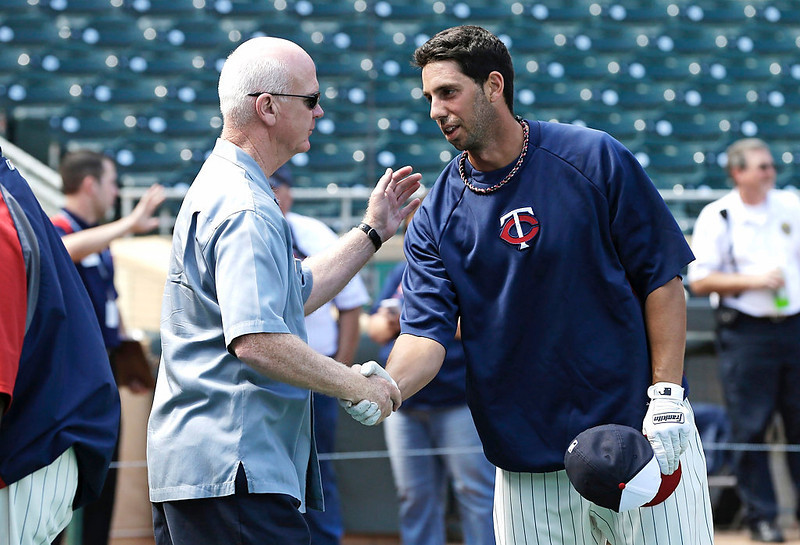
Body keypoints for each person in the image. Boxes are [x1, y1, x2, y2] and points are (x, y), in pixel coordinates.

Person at [368, 25, 713, 545]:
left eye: (448, 92)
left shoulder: (594, 158)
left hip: (642, 436)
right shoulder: (436, 214)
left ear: (493, 86)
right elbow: (425, 337)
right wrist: (385, 389)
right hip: (529, 462)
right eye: (429, 98)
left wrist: (666, 393)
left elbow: (662, 280)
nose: (436, 110)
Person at [146, 36, 420, 545]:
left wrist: (372, 233)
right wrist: (355, 384)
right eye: (311, 99)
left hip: (210, 470)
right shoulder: (246, 205)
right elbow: (258, 340)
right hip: (235, 471)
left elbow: (295, 290)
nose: (319, 112)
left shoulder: (225, 185)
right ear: (267, 107)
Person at [0, 150, 120, 545]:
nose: (117, 192)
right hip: (47, 420)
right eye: (112, 182)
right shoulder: (50, 220)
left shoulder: (10, 208)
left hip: (36, 431)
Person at [688, 138, 800, 543]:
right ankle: (763, 518)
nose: (770, 172)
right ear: (737, 172)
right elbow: (699, 280)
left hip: (793, 325)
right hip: (747, 330)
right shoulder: (718, 215)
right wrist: (753, 281)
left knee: (798, 423)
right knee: (750, 427)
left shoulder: (790, 205)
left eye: (770, 165)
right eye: (761, 166)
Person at [50, 149, 163, 545]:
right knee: (59, 499)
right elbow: (62, 252)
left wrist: (126, 353)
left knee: (102, 486)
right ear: (89, 184)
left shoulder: (101, 241)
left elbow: (107, 310)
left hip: (102, 381)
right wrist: (128, 224)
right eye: (112, 182)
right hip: (66, 392)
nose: (115, 193)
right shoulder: (58, 228)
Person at [270, 165, 371, 545]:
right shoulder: (247, 228)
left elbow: (351, 304)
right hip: (265, 374)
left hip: (315, 376)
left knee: (318, 470)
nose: (273, 192)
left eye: (277, 186)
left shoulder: (311, 231)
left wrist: (339, 372)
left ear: (290, 192)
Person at [367, 259, 496, 545]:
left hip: (459, 400)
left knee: (476, 494)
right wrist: (410, 318)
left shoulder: (466, 264)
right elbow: (375, 326)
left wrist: (415, 319)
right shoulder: (403, 270)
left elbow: (485, 320)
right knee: (413, 496)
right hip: (404, 403)